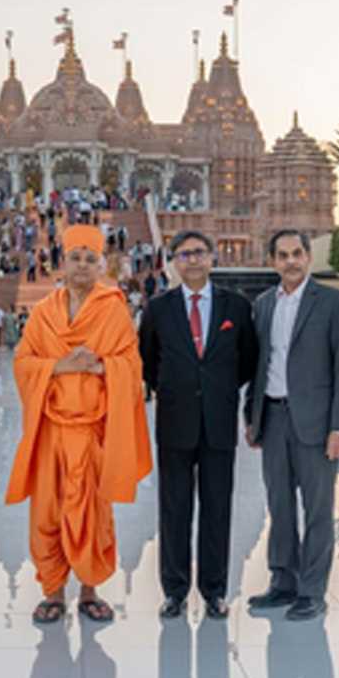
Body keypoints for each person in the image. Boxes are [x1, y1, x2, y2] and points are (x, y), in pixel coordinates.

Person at [6, 224, 152, 624]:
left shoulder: (114, 309)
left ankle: (89, 591)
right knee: (47, 513)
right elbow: (23, 362)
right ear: (63, 263)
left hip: (93, 429)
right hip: (51, 430)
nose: (83, 265)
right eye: (75, 258)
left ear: (101, 265)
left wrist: (103, 367)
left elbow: (131, 364)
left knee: (93, 512)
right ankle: (52, 592)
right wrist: (60, 365)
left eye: (90, 259)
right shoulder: (44, 312)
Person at [139, 231, 257, 620]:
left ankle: (214, 591)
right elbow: (148, 360)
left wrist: (217, 389)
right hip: (175, 421)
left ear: (212, 258)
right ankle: (174, 591)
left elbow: (247, 360)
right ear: (174, 261)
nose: (192, 259)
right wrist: (175, 387)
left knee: (217, 508)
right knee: (174, 509)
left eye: (199, 253)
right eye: (184, 254)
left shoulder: (235, 306)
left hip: (218, 422)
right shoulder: (158, 309)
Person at [244, 230, 339, 622]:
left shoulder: (333, 302)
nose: (290, 261)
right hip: (273, 418)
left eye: (297, 253)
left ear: (308, 257)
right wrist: (252, 417)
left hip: (317, 423)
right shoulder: (263, 304)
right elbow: (258, 365)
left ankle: (311, 591)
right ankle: (283, 583)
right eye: (282, 255)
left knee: (317, 510)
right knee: (279, 506)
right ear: (272, 261)